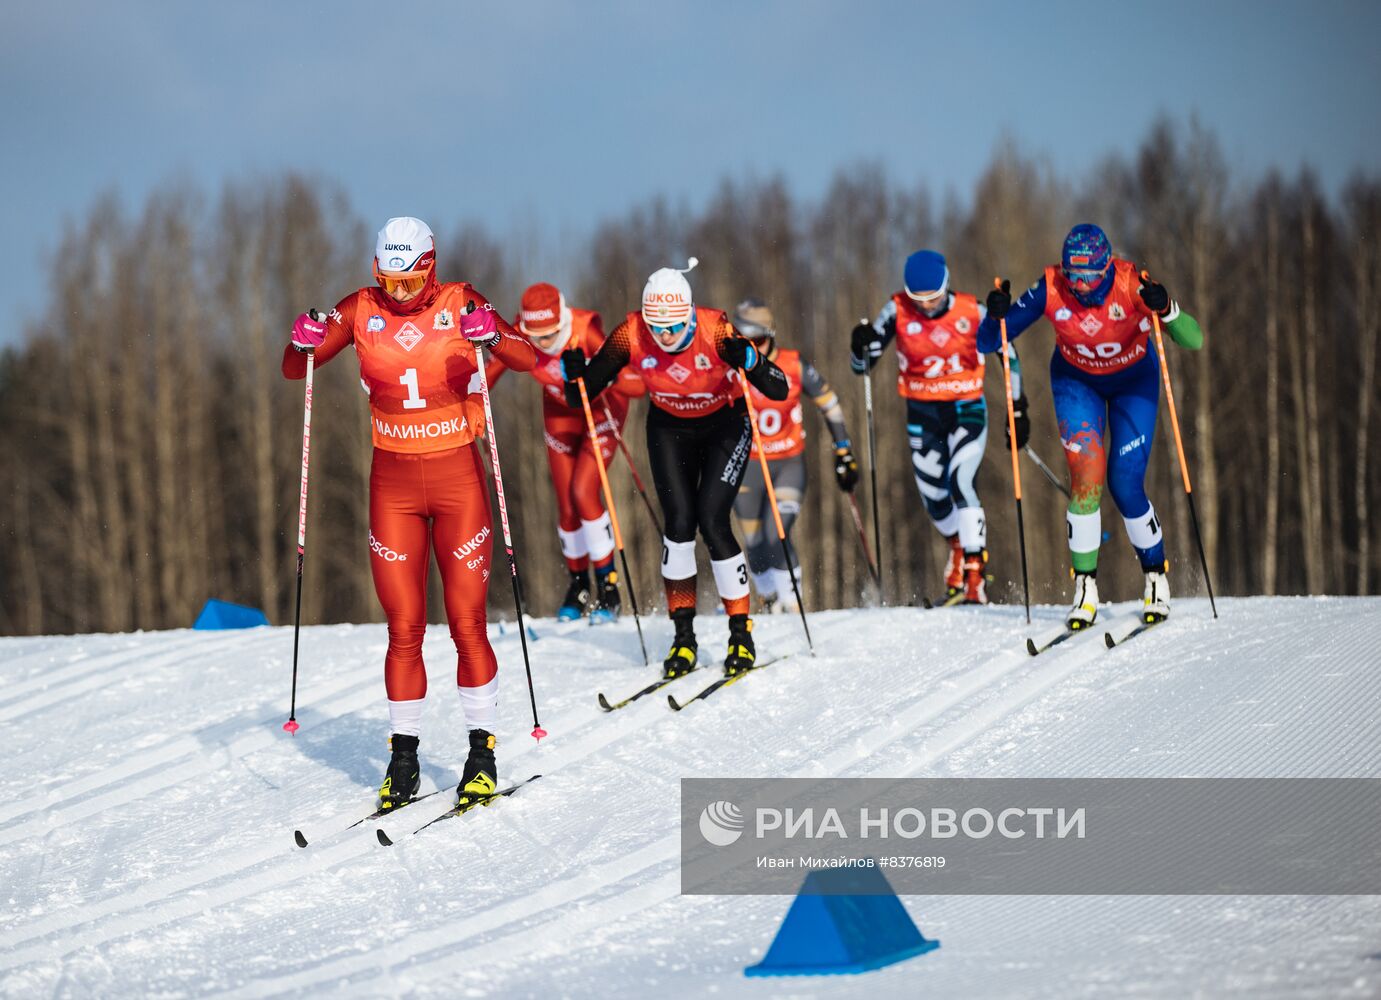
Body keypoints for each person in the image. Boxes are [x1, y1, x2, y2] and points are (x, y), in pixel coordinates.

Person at [283, 217, 537, 811]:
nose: (398, 294)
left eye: (408, 281)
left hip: (457, 482)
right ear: (378, 272)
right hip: (393, 485)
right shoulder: (358, 310)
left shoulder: (459, 302)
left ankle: (481, 753)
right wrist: (298, 342)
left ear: (429, 266)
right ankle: (404, 759)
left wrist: (492, 337)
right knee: (403, 628)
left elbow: (526, 357)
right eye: (388, 281)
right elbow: (299, 371)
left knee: (467, 622)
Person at [560, 259, 789, 678]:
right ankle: (683, 639)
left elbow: (779, 387)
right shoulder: (631, 332)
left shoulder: (715, 329)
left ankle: (741, 634)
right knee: (679, 526)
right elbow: (581, 395)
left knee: (713, 521)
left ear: (688, 314)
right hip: (669, 428)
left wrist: (750, 359)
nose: (664, 336)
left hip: (725, 424)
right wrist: (572, 375)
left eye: (674, 326)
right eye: (656, 327)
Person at [977, 223, 1204, 628]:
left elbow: (1193, 340)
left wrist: (1166, 307)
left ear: (1106, 269)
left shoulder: (1131, 284)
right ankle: (1085, 588)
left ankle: (1155, 576)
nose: (1080, 286)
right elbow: (988, 342)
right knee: (1086, 479)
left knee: (1125, 482)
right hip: (1076, 382)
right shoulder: (1051, 287)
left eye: (1089, 276)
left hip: (1134, 381)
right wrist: (995, 316)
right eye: (1072, 275)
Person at [850, 250, 1023, 604]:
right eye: (919, 299)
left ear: (947, 285)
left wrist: (1017, 406)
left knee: (961, 481)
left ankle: (975, 577)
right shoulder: (897, 309)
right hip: (923, 414)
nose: (927, 306)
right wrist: (859, 345)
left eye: (934, 297)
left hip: (966, 409)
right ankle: (959, 550)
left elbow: (1008, 352)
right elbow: (863, 364)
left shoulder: (970, 310)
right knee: (935, 499)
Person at [486, 282, 645, 623]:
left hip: (600, 410)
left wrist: (593, 373)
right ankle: (578, 584)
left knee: (583, 491)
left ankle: (609, 586)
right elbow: (489, 373)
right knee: (567, 505)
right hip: (560, 414)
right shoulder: (519, 333)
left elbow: (636, 385)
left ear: (563, 321)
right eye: (536, 336)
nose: (544, 344)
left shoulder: (585, 330)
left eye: (551, 335)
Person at [731, 298, 858, 612]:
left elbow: (829, 401)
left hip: (788, 464)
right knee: (754, 540)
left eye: (758, 340)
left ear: (771, 335)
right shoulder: (733, 367)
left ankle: (792, 601)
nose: (754, 349)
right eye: (745, 341)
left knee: (777, 531)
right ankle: (769, 599)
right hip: (748, 467)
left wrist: (843, 449)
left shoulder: (792, 364)